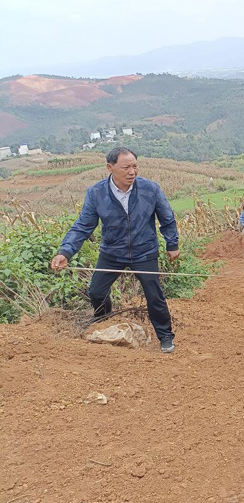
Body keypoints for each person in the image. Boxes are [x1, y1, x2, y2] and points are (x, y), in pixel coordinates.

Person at [50, 147, 180, 353]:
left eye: (135, 166)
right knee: (96, 292)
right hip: (112, 252)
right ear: (110, 168)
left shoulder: (150, 189)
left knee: (154, 296)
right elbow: (83, 226)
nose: (132, 172)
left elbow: (167, 217)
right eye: (126, 167)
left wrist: (172, 244)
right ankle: (103, 317)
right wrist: (65, 252)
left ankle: (165, 336)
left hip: (144, 252)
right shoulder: (96, 193)